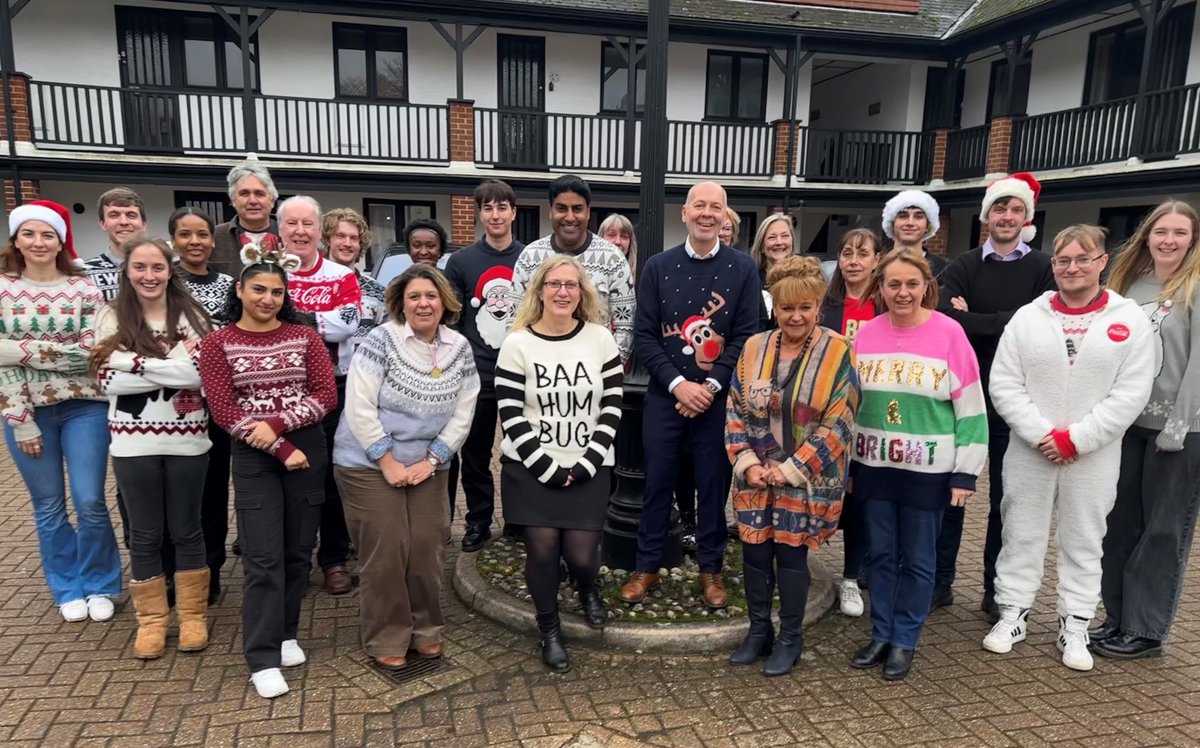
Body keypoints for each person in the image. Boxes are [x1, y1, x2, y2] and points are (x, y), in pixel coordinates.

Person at [984, 225, 1153, 672]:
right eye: (1063, 260)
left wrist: (1077, 438)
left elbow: (1131, 393)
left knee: (1084, 539)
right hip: (1031, 450)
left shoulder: (1128, 320)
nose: (1072, 268)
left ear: (1102, 262)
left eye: (1083, 258)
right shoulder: (1028, 318)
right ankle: (1012, 613)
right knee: (1020, 531)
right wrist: (1042, 433)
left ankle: (1075, 623)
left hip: (1093, 454)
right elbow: (1004, 383)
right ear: (1053, 264)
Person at [199, 243, 337, 699]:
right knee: (262, 557)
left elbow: (325, 395)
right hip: (256, 456)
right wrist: (278, 446)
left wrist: (277, 425)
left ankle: (286, 633)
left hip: (307, 448)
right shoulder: (218, 343)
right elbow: (224, 409)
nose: (268, 299)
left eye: (277, 292)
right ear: (240, 290)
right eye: (259, 289)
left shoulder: (305, 337)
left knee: (298, 550)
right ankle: (261, 657)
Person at [848, 248, 987, 681]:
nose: (903, 292)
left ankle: (905, 639)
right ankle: (881, 633)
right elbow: (851, 405)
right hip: (873, 464)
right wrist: (849, 467)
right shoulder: (865, 335)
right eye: (893, 284)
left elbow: (971, 407)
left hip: (929, 470)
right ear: (881, 288)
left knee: (919, 559)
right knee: (880, 556)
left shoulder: (950, 334)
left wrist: (965, 472)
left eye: (912, 284)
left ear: (927, 286)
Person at [333, 264, 479, 670]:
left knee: (427, 547)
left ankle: (425, 629)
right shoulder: (380, 340)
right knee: (388, 551)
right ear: (401, 302)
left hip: (427, 462)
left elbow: (464, 411)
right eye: (414, 296)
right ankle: (388, 633)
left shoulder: (459, 347)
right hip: (367, 461)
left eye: (431, 296)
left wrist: (433, 460)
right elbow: (359, 406)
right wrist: (386, 459)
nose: (423, 304)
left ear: (444, 302)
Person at [622, 181, 760, 609]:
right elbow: (644, 335)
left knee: (713, 485)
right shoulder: (657, 267)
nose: (706, 214)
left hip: (717, 401)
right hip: (666, 396)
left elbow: (746, 335)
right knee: (657, 482)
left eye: (715, 207)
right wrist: (679, 385)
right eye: (699, 205)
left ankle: (711, 568)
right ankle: (647, 566)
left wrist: (711, 385)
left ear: (724, 215)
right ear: (684, 213)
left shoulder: (742, 269)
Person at [725, 256, 859, 676]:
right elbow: (734, 409)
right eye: (787, 308)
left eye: (805, 307)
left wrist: (790, 469)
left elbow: (840, 422)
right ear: (776, 308)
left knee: (790, 556)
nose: (795, 316)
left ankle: (791, 637)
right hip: (755, 477)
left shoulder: (837, 350)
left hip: (804, 480)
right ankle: (758, 631)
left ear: (818, 306)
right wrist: (747, 463)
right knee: (755, 553)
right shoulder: (754, 347)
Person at [935, 173, 1056, 622]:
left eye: (1015, 209)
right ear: (987, 216)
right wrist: (1010, 320)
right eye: (999, 208)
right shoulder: (963, 264)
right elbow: (946, 316)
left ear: (1027, 217)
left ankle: (995, 590)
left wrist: (977, 319)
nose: (1007, 216)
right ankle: (939, 583)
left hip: (1017, 398)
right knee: (951, 492)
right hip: (962, 395)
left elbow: (1041, 321)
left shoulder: (1043, 267)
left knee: (1006, 501)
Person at [496, 255, 623, 672]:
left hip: (589, 464)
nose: (563, 292)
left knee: (583, 556)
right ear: (540, 291)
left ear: (582, 293)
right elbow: (511, 412)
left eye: (571, 285)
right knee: (544, 550)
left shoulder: (600, 339)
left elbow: (612, 405)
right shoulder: (517, 344)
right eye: (554, 284)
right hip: (531, 468)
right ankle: (549, 628)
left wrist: (588, 461)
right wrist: (546, 467)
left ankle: (587, 588)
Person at [91, 235, 214, 658]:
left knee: (187, 529)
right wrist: (171, 363)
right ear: (127, 271)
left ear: (169, 270)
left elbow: (198, 375)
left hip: (189, 439)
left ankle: (193, 617)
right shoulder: (111, 315)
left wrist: (133, 361)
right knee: (144, 534)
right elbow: (107, 380)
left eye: (157, 267)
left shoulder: (193, 314)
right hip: (132, 442)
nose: (149, 275)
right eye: (140, 267)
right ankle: (152, 622)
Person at [0, 201, 121, 622]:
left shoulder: (83, 288)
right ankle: (67, 586)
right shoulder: (2, 288)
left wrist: (20, 350)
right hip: (26, 413)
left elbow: (91, 352)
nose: (38, 242)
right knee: (48, 504)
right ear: (16, 240)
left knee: (90, 500)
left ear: (60, 241)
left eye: (47, 234)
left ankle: (100, 582)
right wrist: (20, 420)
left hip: (84, 406)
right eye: (29, 234)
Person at [1096, 202, 1200, 660]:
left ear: (1192, 239)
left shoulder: (1194, 287)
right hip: (1127, 425)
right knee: (1120, 526)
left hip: (1179, 431)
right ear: (1147, 235)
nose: (1169, 240)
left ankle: (1145, 628)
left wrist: (1177, 427)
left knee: (1162, 531)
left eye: (1180, 232)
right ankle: (1117, 618)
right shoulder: (1127, 285)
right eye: (1161, 231)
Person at [278, 195, 363, 597]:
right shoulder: (270, 272)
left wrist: (290, 321)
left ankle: (333, 559)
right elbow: (258, 318)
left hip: (335, 386)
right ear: (280, 229)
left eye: (306, 224)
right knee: (289, 478)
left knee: (332, 476)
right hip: (280, 390)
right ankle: (292, 561)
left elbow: (347, 325)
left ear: (318, 230)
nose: (300, 231)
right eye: (292, 224)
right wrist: (316, 322)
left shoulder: (341, 275)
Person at [443, 179, 524, 550]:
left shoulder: (529, 258)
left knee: (519, 450)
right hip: (475, 376)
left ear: (513, 212)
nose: (495, 215)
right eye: (488, 208)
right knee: (474, 454)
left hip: (521, 374)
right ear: (479, 214)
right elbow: (452, 320)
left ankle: (518, 520)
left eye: (502, 207)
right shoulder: (461, 262)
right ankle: (478, 521)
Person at [170, 207, 235, 603]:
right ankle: (172, 571)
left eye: (202, 234)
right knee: (176, 493)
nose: (194, 242)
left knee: (213, 491)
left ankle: (209, 572)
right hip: (171, 407)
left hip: (216, 405)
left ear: (213, 241)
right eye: (185, 234)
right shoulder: (162, 282)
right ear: (174, 240)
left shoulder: (229, 285)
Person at [818, 227, 883, 618]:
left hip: (872, 415)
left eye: (862, 253)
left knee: (862, 499)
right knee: (824, 494)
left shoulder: (885, 305)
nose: (854, 261)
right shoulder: (825, 305)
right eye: (847, 253)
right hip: (829, 415)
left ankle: (852, 576)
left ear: (877, 260)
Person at [510, 175, 635, 363]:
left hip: (595, 371)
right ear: (550, 211)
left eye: (577, 209)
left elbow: (626, 326)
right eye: (561, 208)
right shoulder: (529, 257)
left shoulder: (612, 258)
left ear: (588, 212)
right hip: (538, 369)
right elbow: (514, 321)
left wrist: (606, 372)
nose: (570, 217)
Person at [211, 157, 282, 277]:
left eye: (259, 194)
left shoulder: (289, 235)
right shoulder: (215, 237)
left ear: (272, 200)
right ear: (233, 200)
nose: (252, 201)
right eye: (244, 194)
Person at [82, 187, 148, 301]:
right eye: (114, 215)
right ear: (103, 224)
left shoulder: (161, 270)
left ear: (144, 224)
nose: (124, 222)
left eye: (131, 215)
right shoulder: (84, 274)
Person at [880, 189, 948, 279]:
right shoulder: (876, 266)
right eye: (903, 216)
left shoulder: (945, 269)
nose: (910, 223)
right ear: (892, 224)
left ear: (928, 225)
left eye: (918, 217)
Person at [749, 214, 794, 324]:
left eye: (784, 236)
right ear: (761, 246)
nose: (779, 242)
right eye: (772, 237)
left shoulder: (803, 277)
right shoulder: (750, 279)